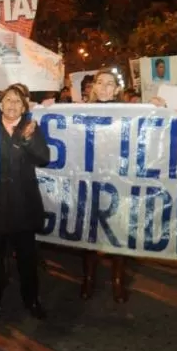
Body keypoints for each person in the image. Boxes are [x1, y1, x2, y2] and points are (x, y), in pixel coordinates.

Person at [0, 85, 49, 322]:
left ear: (24, 107)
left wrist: (30, 140)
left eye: (17, 102)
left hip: (23, 204)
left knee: (27, 259)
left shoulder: (30, 128)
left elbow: (44, 158)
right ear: (0, 104)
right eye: (8, 100)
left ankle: (31, 300)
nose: (12, 105)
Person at [79, 69, 129, 303]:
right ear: (94, 87)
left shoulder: (130, 113)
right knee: (90, 231)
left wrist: (158, 106)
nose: (106, 87)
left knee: (118, 229)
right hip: (91, 179)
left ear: (117, 89)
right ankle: (88, 277)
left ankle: (117, 279)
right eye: (101, 83)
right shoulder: (81, 111)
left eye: (111, 83)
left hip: (119, 180)